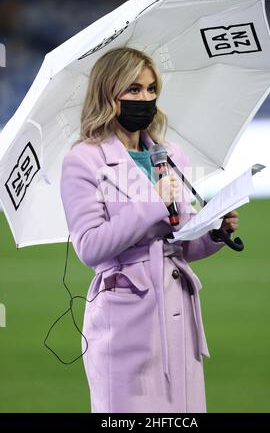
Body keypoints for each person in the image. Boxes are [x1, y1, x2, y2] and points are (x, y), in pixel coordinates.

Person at [60, 47, 239, 413]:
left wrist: (213, 232)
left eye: (151, 88)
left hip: (179, 313)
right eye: (134, 89)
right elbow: (90, 247)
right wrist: (153, 204)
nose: (146, 99)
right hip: (124, 318)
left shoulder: (169, 154)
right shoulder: (83, 160)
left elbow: (180, 241)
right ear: (109, 93)